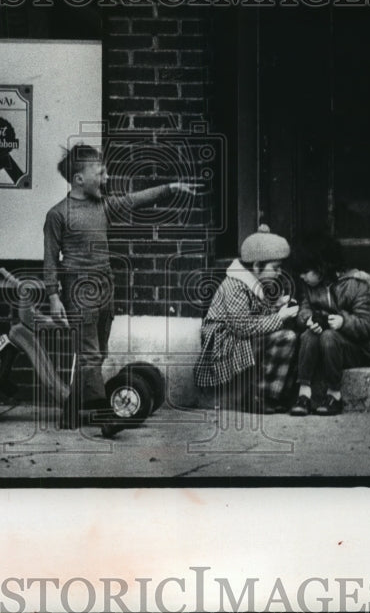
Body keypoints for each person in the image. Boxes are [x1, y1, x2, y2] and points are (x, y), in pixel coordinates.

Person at [43, 143, 200, 431]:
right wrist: (54, 298)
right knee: (90, 355)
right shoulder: (58, 215)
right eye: (100, 173)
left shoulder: (103, 205)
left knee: (98, 354)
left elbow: (132, 199)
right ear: (79, 179)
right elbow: (50, 260)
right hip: (79, 290)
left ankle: (70, 414)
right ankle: (107, 414)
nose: (106, 178)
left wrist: (170, 188)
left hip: (106, 286)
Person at [193, 225, 300, 413]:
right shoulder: (235, 286)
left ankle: (271, 395)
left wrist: (277, 306)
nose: (279, 273)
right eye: (275, 268)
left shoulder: (255, 283)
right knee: (286, 337)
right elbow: (243, 326)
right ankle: (257, 396)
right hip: (223, 343)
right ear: (257, 266)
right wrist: (280, 316)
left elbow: (256, 315)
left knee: (289, 334)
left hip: (239, 337)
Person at [289, 232, 370, 417]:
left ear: (322, 266)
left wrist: (343, 322)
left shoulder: (356, 284)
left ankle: (334, 395)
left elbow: (368, 325)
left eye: (305, 271)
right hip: (325, 345)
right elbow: (303, 309)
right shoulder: (310, 285)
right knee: (308, 335)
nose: (301, 277)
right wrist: (309, 319)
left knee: (329, 336)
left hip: (358, 349)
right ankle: (304, 393)